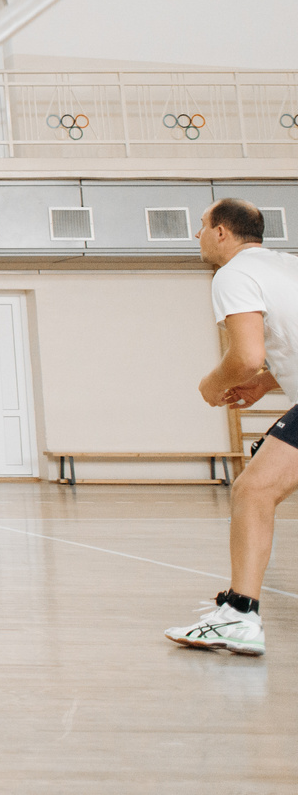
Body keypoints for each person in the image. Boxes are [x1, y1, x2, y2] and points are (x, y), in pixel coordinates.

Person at [165, 198, 298, 658]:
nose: (196, 235)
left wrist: (212, 384)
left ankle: (240, 617)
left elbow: (243, 355)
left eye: (201, 225)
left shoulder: (234, 274)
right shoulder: (287, 267)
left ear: (222, 232)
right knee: (255, 490)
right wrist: (265, 383)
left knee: (254, 491)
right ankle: (240, 613)